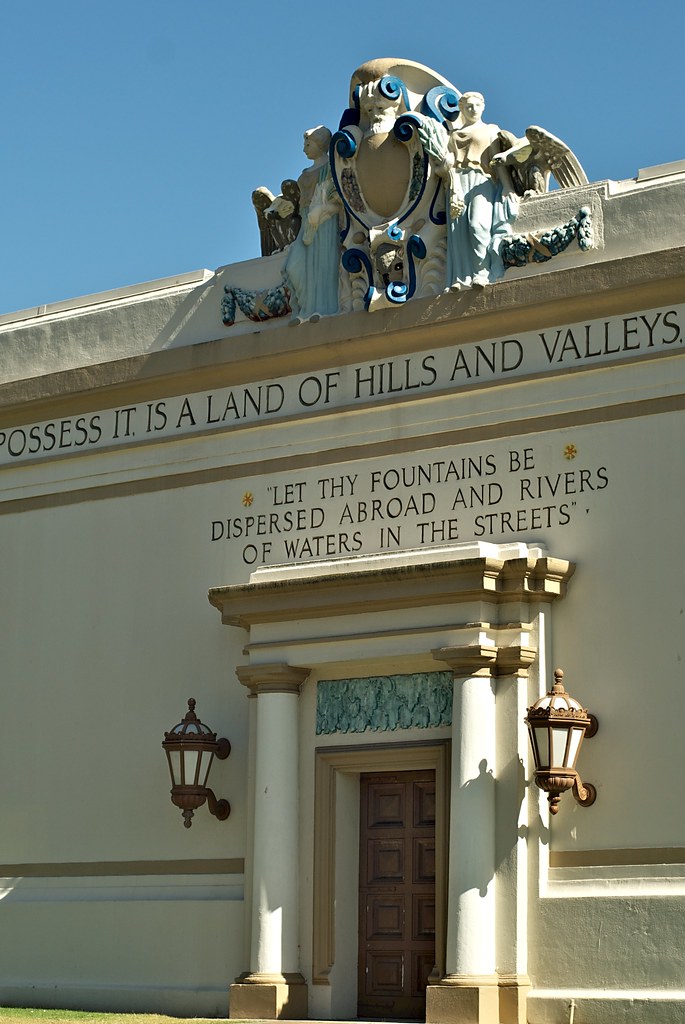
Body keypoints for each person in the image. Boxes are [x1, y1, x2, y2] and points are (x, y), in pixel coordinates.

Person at [443, 92, 517, 288]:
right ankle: (462, 277)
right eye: (468, 106)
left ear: (483, 106)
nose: (473, 109)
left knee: (477, 225)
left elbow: (497, 162)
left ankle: (482, 272)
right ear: (462, 109)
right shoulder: (453, 136)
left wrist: (508, 187)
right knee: (458, 231)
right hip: (457, 183)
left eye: (476, 105)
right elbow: (445, 165)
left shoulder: (490, 130)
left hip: (482, 180)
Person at [281, 126, 341, 322]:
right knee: (294, 267)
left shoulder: (331, 168)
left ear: (321, 144)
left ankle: (320, 310)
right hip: (306, 220)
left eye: (309, 143)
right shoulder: (305, 172)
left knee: (323, 263)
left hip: (324, 220)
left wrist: (322, 212)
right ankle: (305, 308)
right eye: (304, 143)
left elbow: (336, 197)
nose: (304, 148)